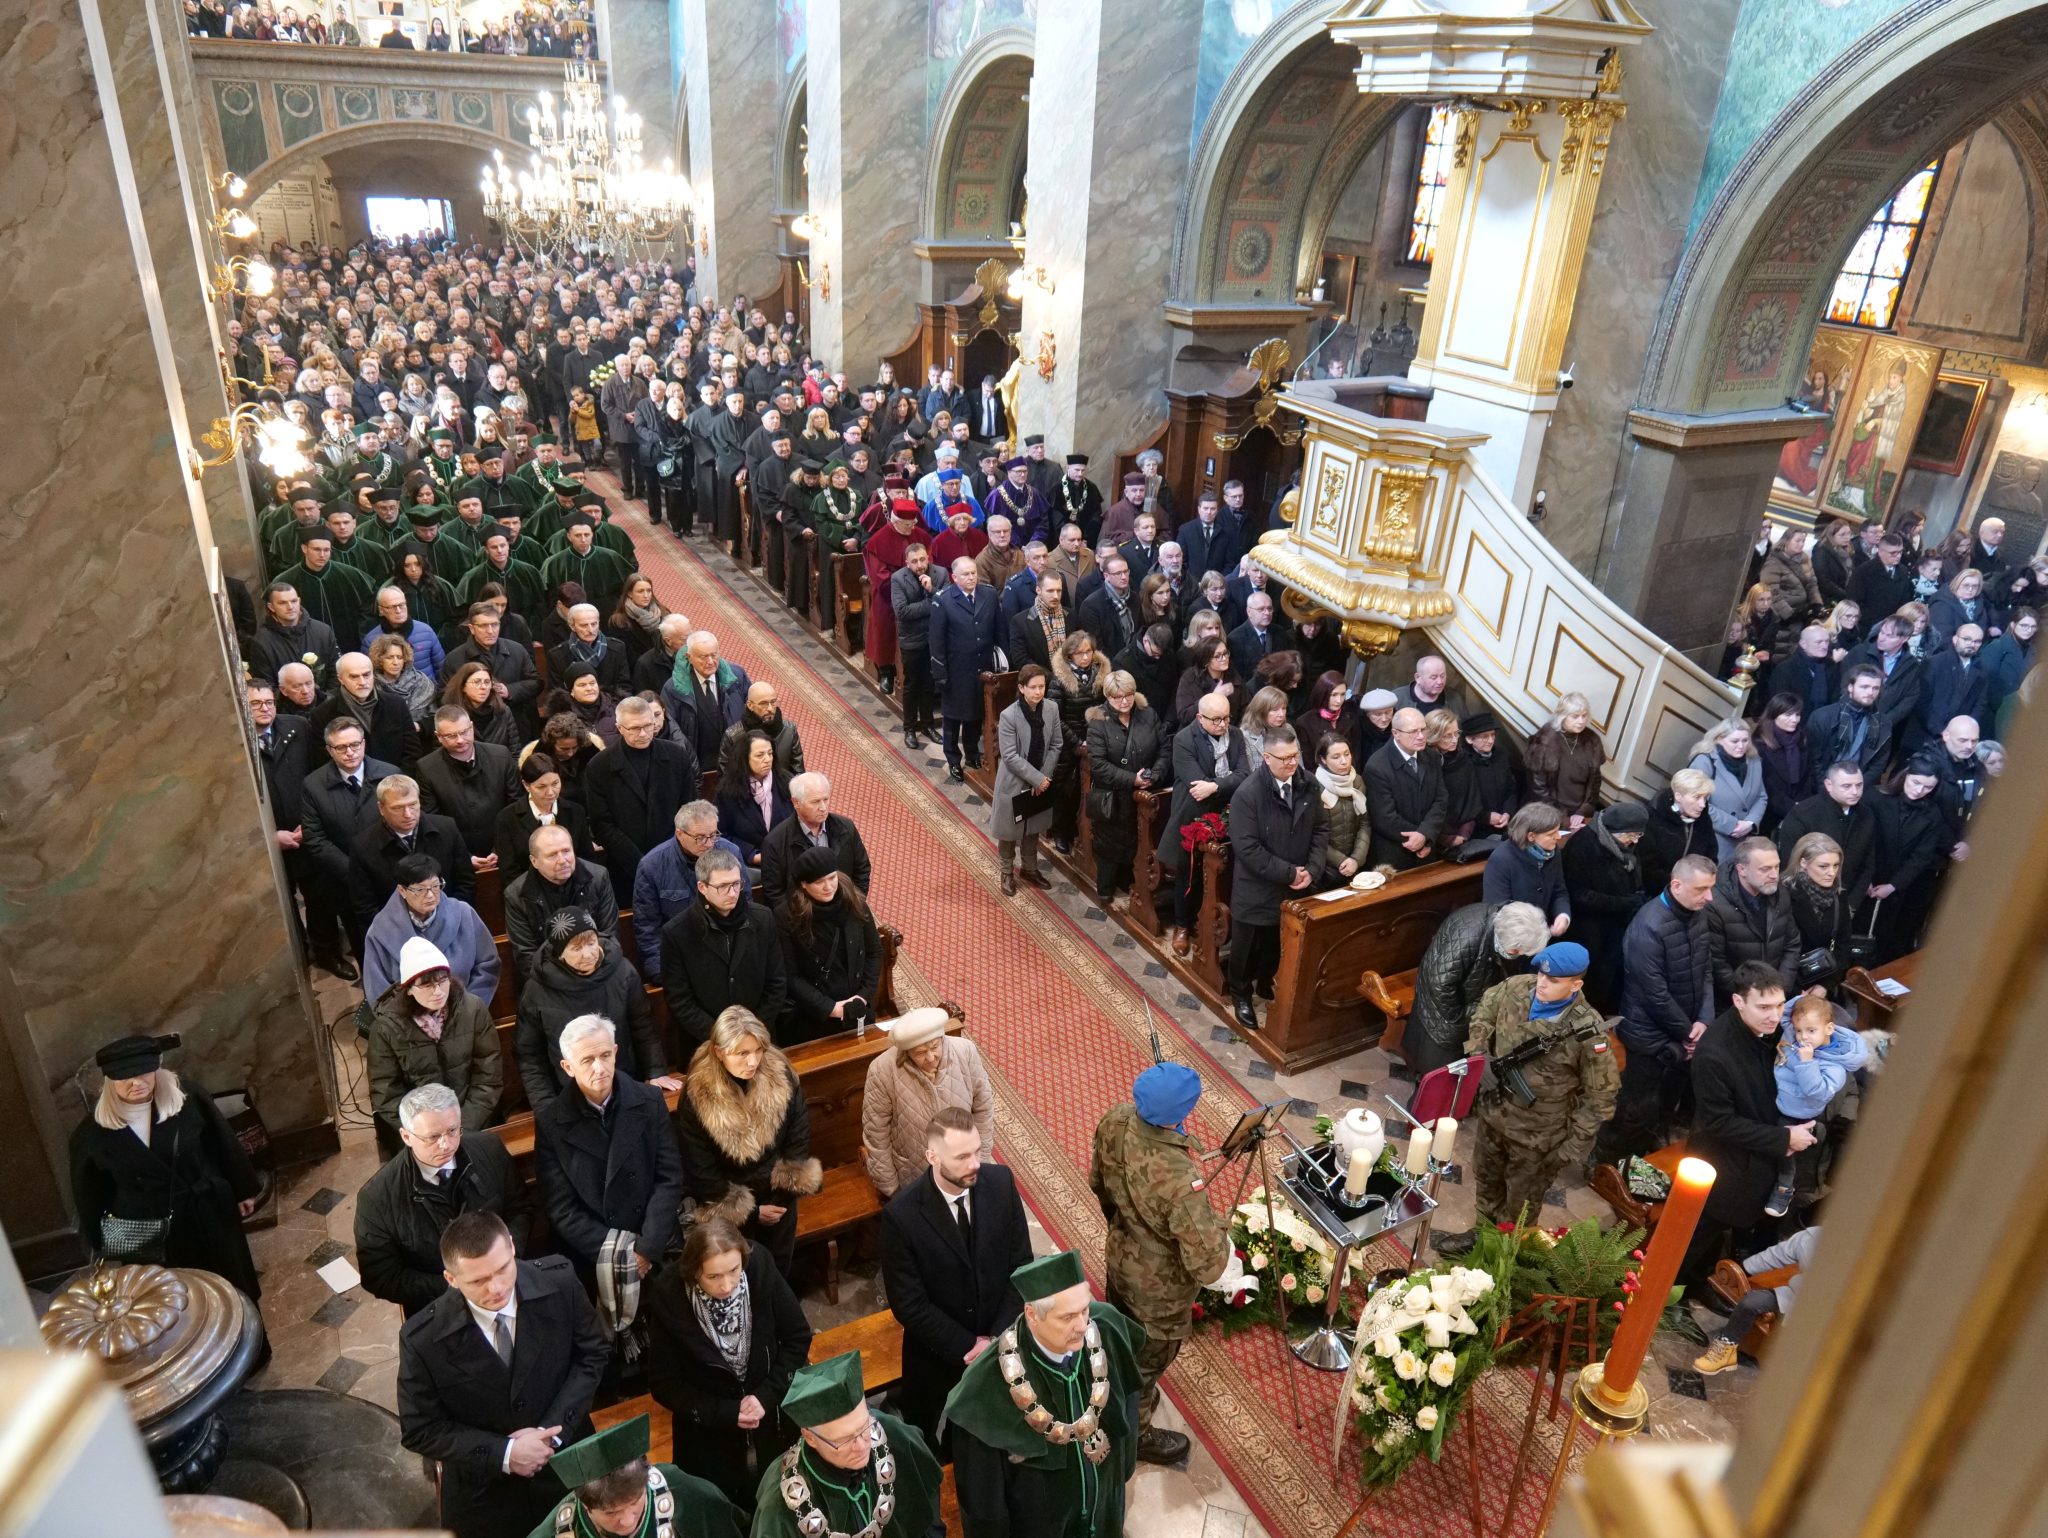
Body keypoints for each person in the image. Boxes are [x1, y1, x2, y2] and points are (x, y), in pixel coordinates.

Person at [396, 1212, 608, 1538]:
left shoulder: (560, 1281)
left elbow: (591, 1354)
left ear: (511, 1247)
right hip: (485, 1488)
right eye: (478, 1281)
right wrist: (506, 1454)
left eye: (503, 1269)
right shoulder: (422, 1339)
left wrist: (549, 1434)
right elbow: (420, 1429)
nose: (496, 1288)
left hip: (567, 1457)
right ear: (451, 1279)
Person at [1088, 1064, 1231, 1465]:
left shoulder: (1115, 1120)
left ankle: (1115, 1385)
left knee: (1118, 1335)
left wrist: (1128, 1228)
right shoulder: (1182, 1180)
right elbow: (1209, 1266)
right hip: (1160, 1295)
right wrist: (1221, 1229)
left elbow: (1099, 1184)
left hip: (1121, 1258)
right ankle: (1137, 1435)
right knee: (1146, 1366)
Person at [944, 1251, 1146, 1534]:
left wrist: (1124, 1468)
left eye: (1085, 1310)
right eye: (1067, 1317)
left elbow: (1130, 1399)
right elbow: (983, 1505)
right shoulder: (983, 1388)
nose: (1082, 1325)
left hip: (1106, 1510)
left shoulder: (1108, 1328)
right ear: (1032, 1315)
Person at [880, 1105, 1033, 1444]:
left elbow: (1021, 1266)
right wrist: (967, 1345)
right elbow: (909, 1303)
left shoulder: (1001, 1184)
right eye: (962, 1157)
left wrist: (994, 1339)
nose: (975, 1163)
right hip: (936, 1350)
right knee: (921, 1430)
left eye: (977, 1151)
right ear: (932, 1156)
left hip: (998, 1337)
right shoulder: (901, 1217)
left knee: (980, 1428)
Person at [69, 1033, 263, 1300]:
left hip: (207, 1212)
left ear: (156, 1069)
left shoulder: (189, 1098)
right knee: (172, 1303)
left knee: (232, 1292)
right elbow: (89, 1192)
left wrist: (243, 1190)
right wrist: (99, 1239)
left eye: (144, 1072)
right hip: (149, 1232)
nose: (136, 1082)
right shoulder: (91, 1134)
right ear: (109, 1080)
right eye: (124, 1076)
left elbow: (222, 1143)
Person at [643, 1216, 814, 1515]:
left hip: (771, 1420)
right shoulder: (669, 1295)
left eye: (734, 1270)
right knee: (722, 1513)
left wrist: (765, 1395)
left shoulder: (759, 1266)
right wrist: (725, 1412)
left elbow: (797, 1337)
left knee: (781, 1500)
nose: (727, 1285)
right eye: (713, 1277)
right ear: (694, 1272)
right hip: (708, 1434)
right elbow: (664, 1383)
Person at [1463, 942, 1618, 1230]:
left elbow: (1601, 1097)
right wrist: (1478, 1052)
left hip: (1536, 1137)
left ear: (1576, 985)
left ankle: (1505, 1263)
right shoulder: (1516, 988)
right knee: (1485, 1183)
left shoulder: (1588, 1033)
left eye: (1554, 980)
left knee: (1520, 1208)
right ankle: (1480, 1241)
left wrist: (1572, 1148)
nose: (1542, 983)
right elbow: (1484, 1010)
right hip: (1494, 1113)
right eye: (1541, 974)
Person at [534, 1013, 684, 1297]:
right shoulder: (552, 1122)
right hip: (596, 1254)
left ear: (615, 1052)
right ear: (568, 1067)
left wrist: (646, 1249)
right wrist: (621, 1254)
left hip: (655, 1241)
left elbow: (669, 1178)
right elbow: (561, 1208)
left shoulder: (650, 1101)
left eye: (605, 1055)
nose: (600, 1068)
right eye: (587, 1060)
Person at [356, 1083, 531, 1318]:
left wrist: (507, 1258)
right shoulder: (377, 1198)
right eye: (433, 1137)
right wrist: (456, 1285)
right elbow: (381, 1276)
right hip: (440, 1305)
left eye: (452, 1131)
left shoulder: (489, 1149)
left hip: (506, 1282)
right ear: (406, 1136)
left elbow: (520, 1207)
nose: (446, 1144)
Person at [1684, 965, 1811, 1280]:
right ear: (1739, 1002)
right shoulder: (1715, 1053)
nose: (1775, 1015)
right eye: (1764, 1007)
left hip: (1755, 1154)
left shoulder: (1769, 1031)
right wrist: (1784, 1139)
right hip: (1722, 1163)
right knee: (1698, 1235)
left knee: (1723, 1231)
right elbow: (1719, 1123)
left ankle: (1705, 1279)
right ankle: (1672, 1292)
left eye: (1780, 1005)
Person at [673, 1007, 821, 1275]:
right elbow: (699, 1167)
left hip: (779, 1194)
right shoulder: (699, 1093)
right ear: (720, 1052)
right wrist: (752, 1213)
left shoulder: (780, 1073)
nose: (753, 1061)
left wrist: (781, 1197)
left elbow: (797, 1136)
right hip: (730, 1203)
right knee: (741, 1273)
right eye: (742, 1053)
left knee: (777, 1269)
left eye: (758, 1050)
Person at [1591, 855, 1718, 1166]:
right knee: (1636, 1105)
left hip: (1684, 1028)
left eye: (1711, 888)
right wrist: (1687, 1031)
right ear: (1676, 885)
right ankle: (1606, 1160)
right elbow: (1654, 993)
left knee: (1665, 1101)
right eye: (1702, 889)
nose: (1710, 897)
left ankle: (1643, 1153)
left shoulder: (1698, 915)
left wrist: (1704, 1018)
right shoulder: (1648, 925)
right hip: (1647, 1032)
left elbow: (1705, 971)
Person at [749, 1352, 944, 1538]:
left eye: (863, 1427)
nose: (860, 1446)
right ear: (810, 1437)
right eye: (843, 1439)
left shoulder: (891, 1431)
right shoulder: (780, 1501)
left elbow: (927, 1493)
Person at [515, 908, 672, 1112]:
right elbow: (529, 1055)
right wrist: (545, 1106)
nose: (588, 954)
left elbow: (643, 1026)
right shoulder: (537, 990)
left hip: (624, 1081)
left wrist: (655, 1071)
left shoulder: (622, 971)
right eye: (576, 948)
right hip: (568, 1094)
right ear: (560, 953)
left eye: (591, 943)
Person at [1223, 725, 1327, 1032]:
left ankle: (1267, 982)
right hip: (1257, 886)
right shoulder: (1248, 794)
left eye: (1295, 756)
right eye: (1283, 759)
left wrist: (1312, 869)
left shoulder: (1308, 784)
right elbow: (1247, 848)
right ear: (1266, 757)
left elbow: (1321, 829)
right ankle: (1240, 991)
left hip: (1296, 882)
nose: (1291, 763)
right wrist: (1289, 872)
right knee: (1245, 944)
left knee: (1276, 941)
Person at [367, 937, 503, 1153]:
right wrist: (428, 1135)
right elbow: (387, 1094)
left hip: (472, 1122)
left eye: (442, 980)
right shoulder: (387, 1028)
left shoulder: (473, 1009)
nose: (438, 991)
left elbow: (488, 1077)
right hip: (422, 1136)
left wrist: (460, 1129)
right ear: (409, 989)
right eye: (427, 985)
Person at [519, 1412, 737, 1538]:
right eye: (611, 1513)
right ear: (585, 1506)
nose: (627, 1520)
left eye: (634, 1503)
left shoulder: (686, 1491)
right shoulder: (559, 1529)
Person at [660, 848, 788, 1049]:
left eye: (736, 884)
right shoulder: (677, 932)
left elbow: (776, 983)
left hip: (760, 1036)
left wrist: (753, 1030)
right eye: (723, 886)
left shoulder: (763, 918)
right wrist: (724, 1037)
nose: (732, 893)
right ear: (702, 887)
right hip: (707, 1043)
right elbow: (680, 1001)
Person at [861, 1007, 994, 1198]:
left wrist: (981, 1161)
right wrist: (890, 1188)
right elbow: (876, 1132)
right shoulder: (881, 1070)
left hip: (966, 1167)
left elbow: (983, 1108)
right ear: (906, 1052)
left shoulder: (965, 1051)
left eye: (934, 1047)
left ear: (942, 1039)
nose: (930, 1058)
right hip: (916, 1176)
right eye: (920, 1052)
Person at [1157, 693, 1249, 958]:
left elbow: (1245, 774)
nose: (1223, 725)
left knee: (1223, 871)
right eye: (1216, 719)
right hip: (1192, 815)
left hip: (1228, 813)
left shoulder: (1236, 736)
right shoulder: (1185, 740)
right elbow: (1197, 786)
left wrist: (1216, 785)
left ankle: (1211, 922)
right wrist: (1218, 784)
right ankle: (1182, 925)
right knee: (1189, 873)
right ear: (1200, 718)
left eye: (1227, 718)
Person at [585, 696, 702, 893]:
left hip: (674, 859)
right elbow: (601, 824)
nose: (643, 733)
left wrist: (669, 854)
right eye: (635, 728)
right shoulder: (599, 766)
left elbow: (688, 809)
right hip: (626, 867)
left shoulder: (676, 756)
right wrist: (640, 862)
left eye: (648, 725)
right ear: (619, 727)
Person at [1764, 995, 1867, 1216]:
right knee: (1781, 1175)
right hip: (1788, 1118)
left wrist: (1847, 1117)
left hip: (1819, 1132)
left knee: (1803, 1183)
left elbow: (1849, 1091)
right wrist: (1806, 998)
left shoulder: (1837, 1065)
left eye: (1812, 1031)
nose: (1804, 1037)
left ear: (1829, 1030)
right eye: (1801, 1031)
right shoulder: (1797, 1046)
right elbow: (1787, 1017)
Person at [775, 847, 883, 1045]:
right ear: (804, 885)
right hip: (814, 1016)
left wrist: (862, 997)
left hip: (857, 1008)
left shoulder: (854, 902)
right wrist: (831, 1008)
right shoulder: (787, 917)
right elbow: (790, 976)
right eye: (819, 882)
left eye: (832, 877)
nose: (828, 886)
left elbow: (874, 952)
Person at [362, 852, 500, 1003]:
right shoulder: (380, 931)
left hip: (464, 1010)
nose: (430, 895)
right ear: (402, 891)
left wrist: (468, 1010)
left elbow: (487, 965)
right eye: (420, 890)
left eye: (435, 886)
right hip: (408, 1019)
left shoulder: (463, 913)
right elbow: (377, 990)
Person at [1691, 1227, 1820, 1377]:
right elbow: (1778, 1254)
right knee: (1751, 1302)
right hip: (1797, 1296)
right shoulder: (1813, 1237)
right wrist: (1745, 1268)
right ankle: (1726, 1347)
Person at [1083, 670, 1164, 907]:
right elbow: (1099, 766)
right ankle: (1106, 889)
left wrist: (1154, 774)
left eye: (1128, 695)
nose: (1125, 701)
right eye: (1118, 697)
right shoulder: (1098, 724)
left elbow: (1164, 748)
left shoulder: (1148, 714)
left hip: (1146, 793)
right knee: (1110, 846)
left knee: (1139, 843)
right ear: (1107, 697)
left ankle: (1132, 885)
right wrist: (1132, 780)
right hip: (1114, 797)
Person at [1560, 802, 1648, 1013]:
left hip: (1616, 924)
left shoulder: (1623, 844)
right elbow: (1579, 894)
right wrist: (1624, 903)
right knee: (1590, 977)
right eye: (1632, 835)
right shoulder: (1582, 846)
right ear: (1615, 831)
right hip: (1589, 929)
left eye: (1638, 836)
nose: (1634, 841)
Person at [505, 824, 620, 978]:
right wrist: (567, 983)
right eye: (552, 855)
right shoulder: (516, 895)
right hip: (549, 982)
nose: (562, 860)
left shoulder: (598, 877)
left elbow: (609, 937)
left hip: (598, 972)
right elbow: (527, 956)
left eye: (566, 851)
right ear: (534, 861)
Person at [1869, 753, 1951, 959]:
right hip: (1865, 876)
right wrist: (1865, 880)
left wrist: (1893, 885)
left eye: (1928, 788)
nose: (1919, 791)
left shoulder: (1932, 814)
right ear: (1905, 775)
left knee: (1881, 938)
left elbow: (1921, 857)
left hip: (1895, 885)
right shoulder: (1875, 798)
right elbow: (1861, 842)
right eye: (1916, 782)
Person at [1705, 837, 1803, 1010]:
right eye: (1765, 869)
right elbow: (1716, 963)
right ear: (1742, 869)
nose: (1774, 875)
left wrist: (1779, 990)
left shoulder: (1781, 894)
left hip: (1776, 998)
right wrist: (1750, 999)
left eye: (1776, 866)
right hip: (1735, 1004)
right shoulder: (1715, 904)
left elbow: (1792, 944)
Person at [991, 663, 1063, 896]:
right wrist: (1036, 778)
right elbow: (1010, 756)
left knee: (1033, 827)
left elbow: (1056, 744)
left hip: (1040, 780)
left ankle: (1030, 869)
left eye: (1042, 686)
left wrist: (1044, 777)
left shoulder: (1051, 709)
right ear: (1021, 688)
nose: (1038, 692)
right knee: (1009, 832)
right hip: (1014, 782)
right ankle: (1006, 872)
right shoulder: (1009, 715)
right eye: (1033, 687)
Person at [929, 556, 999, 782]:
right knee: (953, 718)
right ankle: (952, 759)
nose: (971, 578)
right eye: (966, 574)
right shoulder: (944, 600)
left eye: (973, 573)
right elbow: (936, 641)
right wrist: (940, 674)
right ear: (954, 577)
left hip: (982, 668)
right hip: (956, 670)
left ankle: (971, 754)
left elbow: (999, 629)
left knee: (974, 715)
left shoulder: (988, 594)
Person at [759, 772, 871, 908]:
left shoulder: (846, 827)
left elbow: (862, 869)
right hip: (802, 919)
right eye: (815, 802)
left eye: (826, 799)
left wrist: (854, 904)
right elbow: (775, 894)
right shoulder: (775, 842)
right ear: (796, 802)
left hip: (844, 909)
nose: (823, 808)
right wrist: (800, 919)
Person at [1776, 762, 1876, 907]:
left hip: (1847, 901)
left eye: (1859, 785)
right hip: (1805, 902)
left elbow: (1868, 864)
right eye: (1847, 786)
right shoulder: (1803, 813)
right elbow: (1791, 865)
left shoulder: (1867, 815)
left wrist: (1852, 904)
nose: (1855, 792)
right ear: (1829, 785)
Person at [1363, 707, 1448, 870]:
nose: (1421, 736)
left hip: (1427, 847)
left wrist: (1425, 834)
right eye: (1413, 732)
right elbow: (1384, 816)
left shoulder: (1431, 756)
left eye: (1423, 729)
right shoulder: (1377, 766)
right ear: (1396, 733)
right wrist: (1418, 839)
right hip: (1395, 853)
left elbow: (1441, 799)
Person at [495, 752, 597, 882]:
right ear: (526, 785)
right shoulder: (507, 819)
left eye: (555, 783)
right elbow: (510, 873)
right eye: (541, 786)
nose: (550, 792)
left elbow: (587, 859)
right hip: (530, 893)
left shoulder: (575, 812)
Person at [1482, 802, 1573, 933]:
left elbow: (1559, 890)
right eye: (1551, 834)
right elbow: (1497, 909)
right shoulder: (1501, 859)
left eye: (1557, 831)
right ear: (1531, 836)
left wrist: (1563, 915)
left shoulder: (1553, 851)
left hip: (1543, 931)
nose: (1558, 837)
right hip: (1514, 937)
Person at [1688, 718, 1769, 859]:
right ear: (1719, 739)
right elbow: (1695, 801)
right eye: (1735, 741)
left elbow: (1761, 796)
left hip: (1744, 840)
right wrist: (1733, 825)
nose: (1741, 746)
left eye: (1745, 740)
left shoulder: (1754, 760)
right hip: (1713, 838)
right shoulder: (1704, 761)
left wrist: (1750, 823)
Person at [1524, 693, 1605, 827]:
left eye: (1584, 715)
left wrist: (1582, 811)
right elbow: (1538, 787)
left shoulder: (1592, 740)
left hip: (1580, 814)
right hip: (1549, 813)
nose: (1581, 721)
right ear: (1562, 716)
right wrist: (1559, 816)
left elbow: (1595, 781)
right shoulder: (1545, 739)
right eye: (1575, 716)